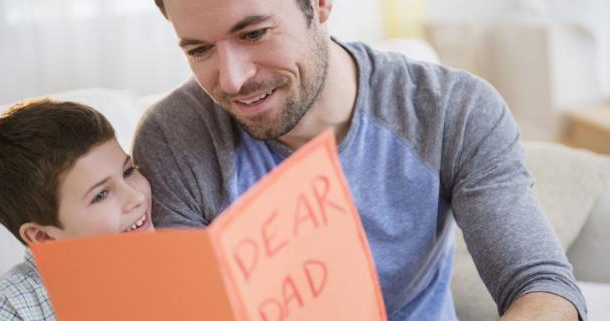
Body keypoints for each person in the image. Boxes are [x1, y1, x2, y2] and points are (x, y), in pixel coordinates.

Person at [133, 0, 586, 320]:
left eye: (253, 33)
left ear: (320, 5)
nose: (231, 80)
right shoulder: (173, 140)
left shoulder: (452, 111)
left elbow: (542, 285)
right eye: (199, 50)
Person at [0, 99, 154, 320]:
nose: (136, 197)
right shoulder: (7, 308)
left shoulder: (176, 255)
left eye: (128, 171)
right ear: (44, 236)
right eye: (101, 195)